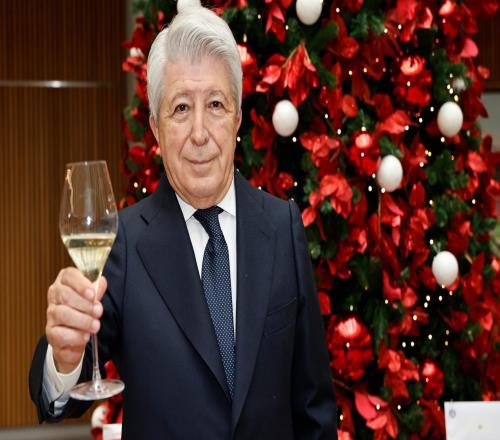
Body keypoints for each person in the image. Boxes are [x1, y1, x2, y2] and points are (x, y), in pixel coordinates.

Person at [29, 6, 337, 439]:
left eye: (215, 105)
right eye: (180, 108)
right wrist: (64, 355)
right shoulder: (124, 242)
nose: (199, 133)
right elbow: (61, 397)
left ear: (237, 118)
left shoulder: (283, 227)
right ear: (156, 128)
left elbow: (314, 408)